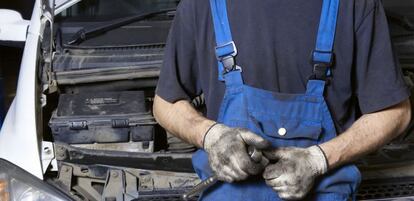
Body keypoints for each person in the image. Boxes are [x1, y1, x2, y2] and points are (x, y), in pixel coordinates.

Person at [153, 0, 412, 200]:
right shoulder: (202, 5)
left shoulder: (355, 4)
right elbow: (165, 104)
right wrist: (211, 135)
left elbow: (396, 113)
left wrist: (318, 160)